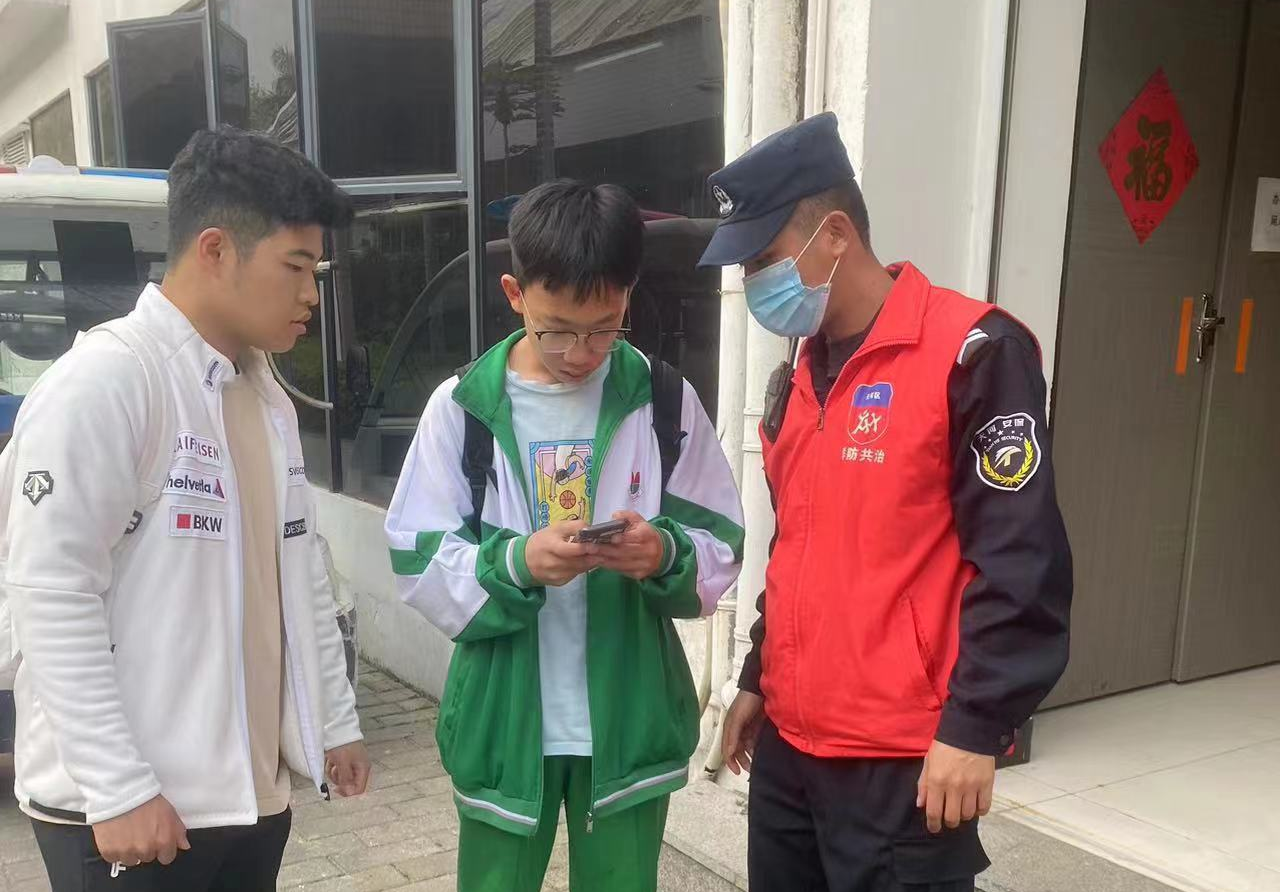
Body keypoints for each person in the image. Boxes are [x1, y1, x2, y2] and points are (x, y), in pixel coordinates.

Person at [706, 112, 1073, 891]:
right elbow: (797, 548)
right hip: (790, 752)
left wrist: (976, 725)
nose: (753, 284)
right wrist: (756, 678)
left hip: (903, 762)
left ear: (835, 234)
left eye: (764, 260)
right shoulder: (797, 376)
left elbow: (1021, 562)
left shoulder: (972, 354)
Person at [1, 126, 369, 891]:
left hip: (247, 801)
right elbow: (50, 592)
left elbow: (295, 573)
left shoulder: (262, 395)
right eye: (295, 267)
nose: (311, 294)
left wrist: (332, 722)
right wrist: (118, 788)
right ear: (215, 250)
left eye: (316, 269)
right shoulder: (108, 382)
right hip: (131, 818)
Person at [385, 179, 744, 892]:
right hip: (503, 720)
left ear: (628, 298)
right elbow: (416, 559)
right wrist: (517, 563)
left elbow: (721, 541)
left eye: (605, 327)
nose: (581, 351)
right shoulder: (463, 408)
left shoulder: (662, 399)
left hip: (629, 717)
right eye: (556, 328)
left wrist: (662, 552)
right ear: (515, 294)